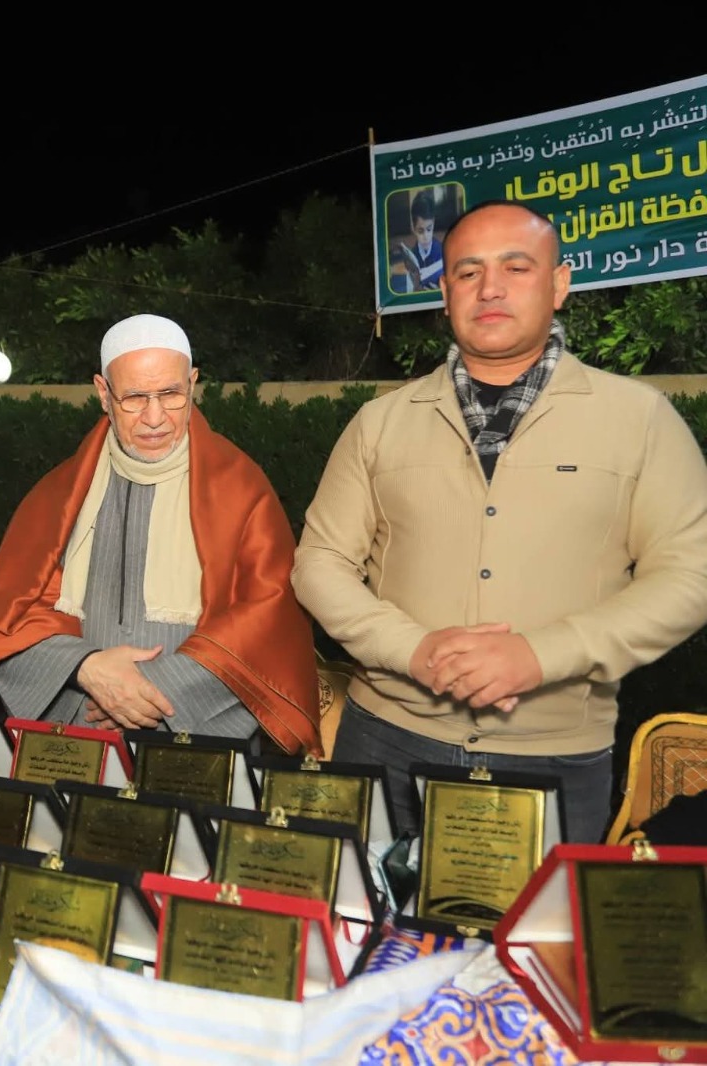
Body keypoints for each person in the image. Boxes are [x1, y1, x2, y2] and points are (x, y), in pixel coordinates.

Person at [292, 199, 707, 844]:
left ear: (559, 284)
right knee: (363, 909)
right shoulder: (381, 422)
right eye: (468, 271)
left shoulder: (640, 419)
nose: (490, 288)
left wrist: (541, 655)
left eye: (516, 267)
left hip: (553, 757)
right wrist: (413, 651)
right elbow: (320, 563)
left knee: (535, 919)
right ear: (445, 294)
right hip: (383, 741)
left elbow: (690, 575)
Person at [0, 314, 320, 755]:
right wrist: (84, 670)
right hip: (78, 722)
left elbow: (267, 621)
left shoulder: (241, 489)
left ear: (192, 383)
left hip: (194, 732)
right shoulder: (57, 495)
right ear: (103, 393)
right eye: (134, 398)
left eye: (171, 394)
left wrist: (146, 693)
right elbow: (8, 620)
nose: (155, 418)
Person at [394, 188, 444, 293]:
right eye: (420, 231)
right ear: (413, 228)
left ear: (434, 223)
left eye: (429, 229)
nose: (426, 236)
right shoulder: (412, 255)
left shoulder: (442, 251)